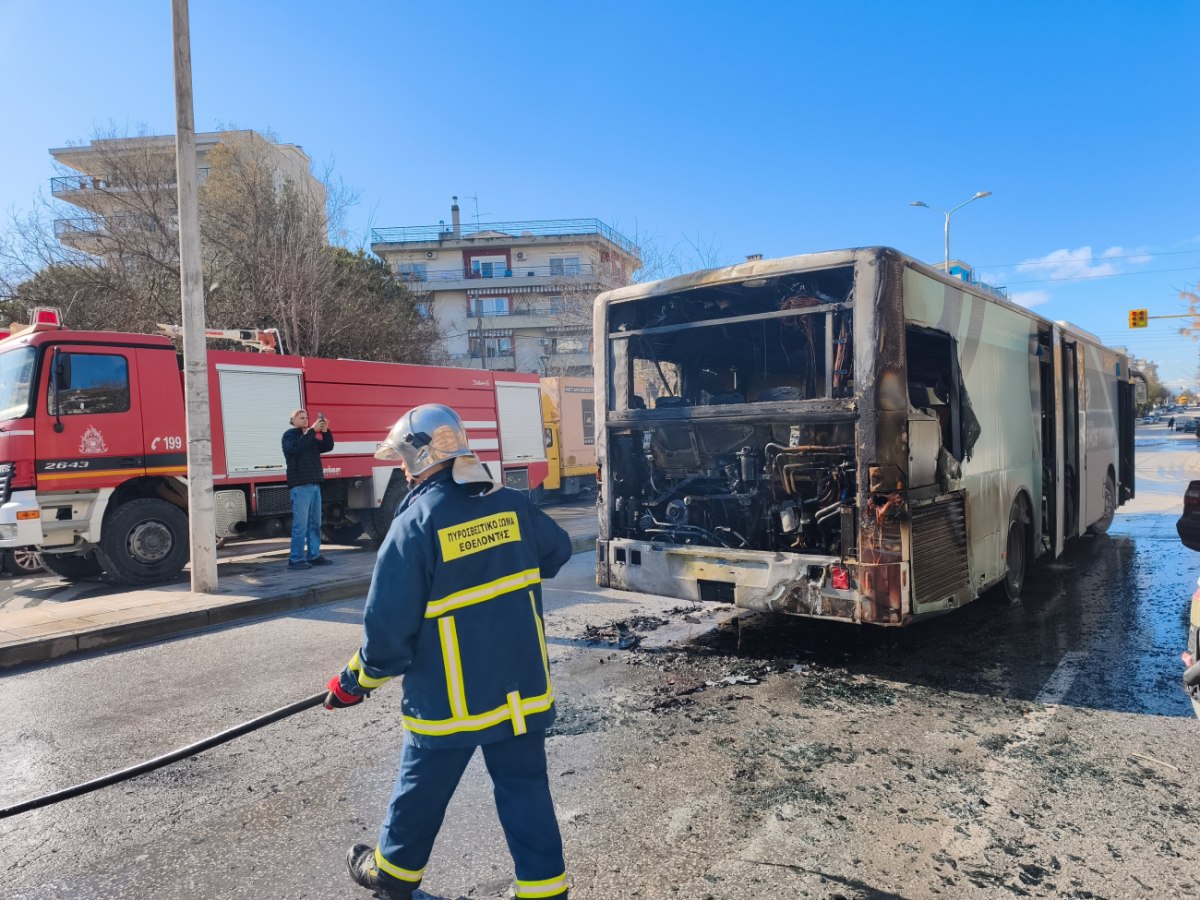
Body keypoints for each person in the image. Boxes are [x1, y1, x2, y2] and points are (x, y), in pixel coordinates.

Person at [323, 403, 572, 900]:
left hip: (451, 699)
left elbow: (387, 637)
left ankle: (392, 875)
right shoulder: (511, 504)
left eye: (402, 458)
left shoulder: (414, 524)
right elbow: (557, 551)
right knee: (525, 789)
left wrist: (352, 683)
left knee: (420, 789)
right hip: (521, 692)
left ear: (421, 457)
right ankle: (545, 891)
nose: (400, 468)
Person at [281, 409, 335, 570]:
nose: (305, 420)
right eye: (301, 418)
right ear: (292, 421)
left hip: (314, 484)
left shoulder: (309, 437)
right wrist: (312, 431)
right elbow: (296, 449)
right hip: (300, 486)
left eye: (306, 417)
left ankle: (314, 555)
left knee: (315, 524)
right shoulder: (289, 435)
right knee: (301, 525)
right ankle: (295, 559)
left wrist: (325, 432)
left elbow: (327, 446)